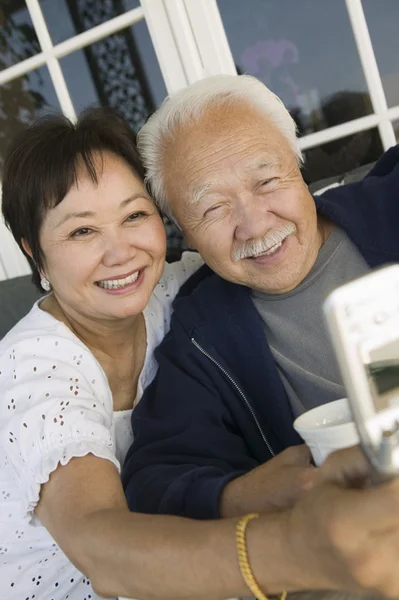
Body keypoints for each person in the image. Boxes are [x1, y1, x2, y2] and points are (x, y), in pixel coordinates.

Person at [122, 75, 399, 521]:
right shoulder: (202, 337)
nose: (254, 226)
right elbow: (155, 478)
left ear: (298, 165)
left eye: (267, 181)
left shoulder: (390, 203)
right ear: (185, 234)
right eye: (213, 209)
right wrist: (246, 494)